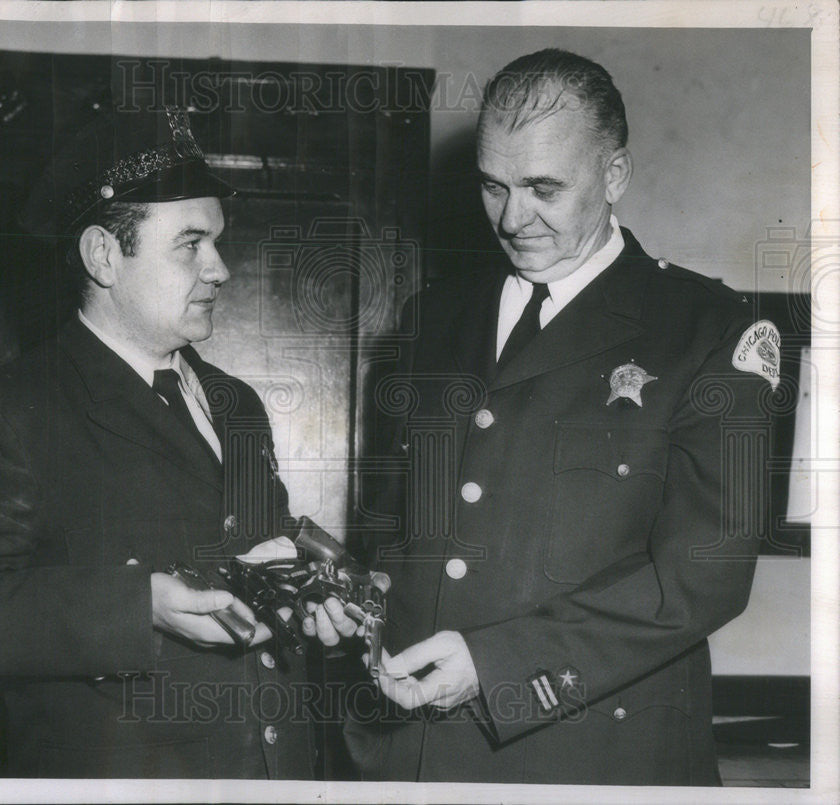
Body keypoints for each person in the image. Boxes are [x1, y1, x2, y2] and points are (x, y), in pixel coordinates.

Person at [314, 49, 779, 785]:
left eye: (544, 188)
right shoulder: (433, 319)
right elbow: (402, 529)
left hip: (591, 755)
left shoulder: (706, 332)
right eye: (493, 187)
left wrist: (496, 666)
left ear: (614, 176)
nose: (511, 217)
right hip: (415, 752)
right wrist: (360, 600)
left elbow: (704, 577)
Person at [0, 107, 315, 779]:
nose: (220, 268)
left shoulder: (236, 403)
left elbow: (252, 560)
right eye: (191, 243)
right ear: (103, 256)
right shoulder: (4, 409)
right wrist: (137, 607)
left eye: (217, 241)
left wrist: (306, 593)